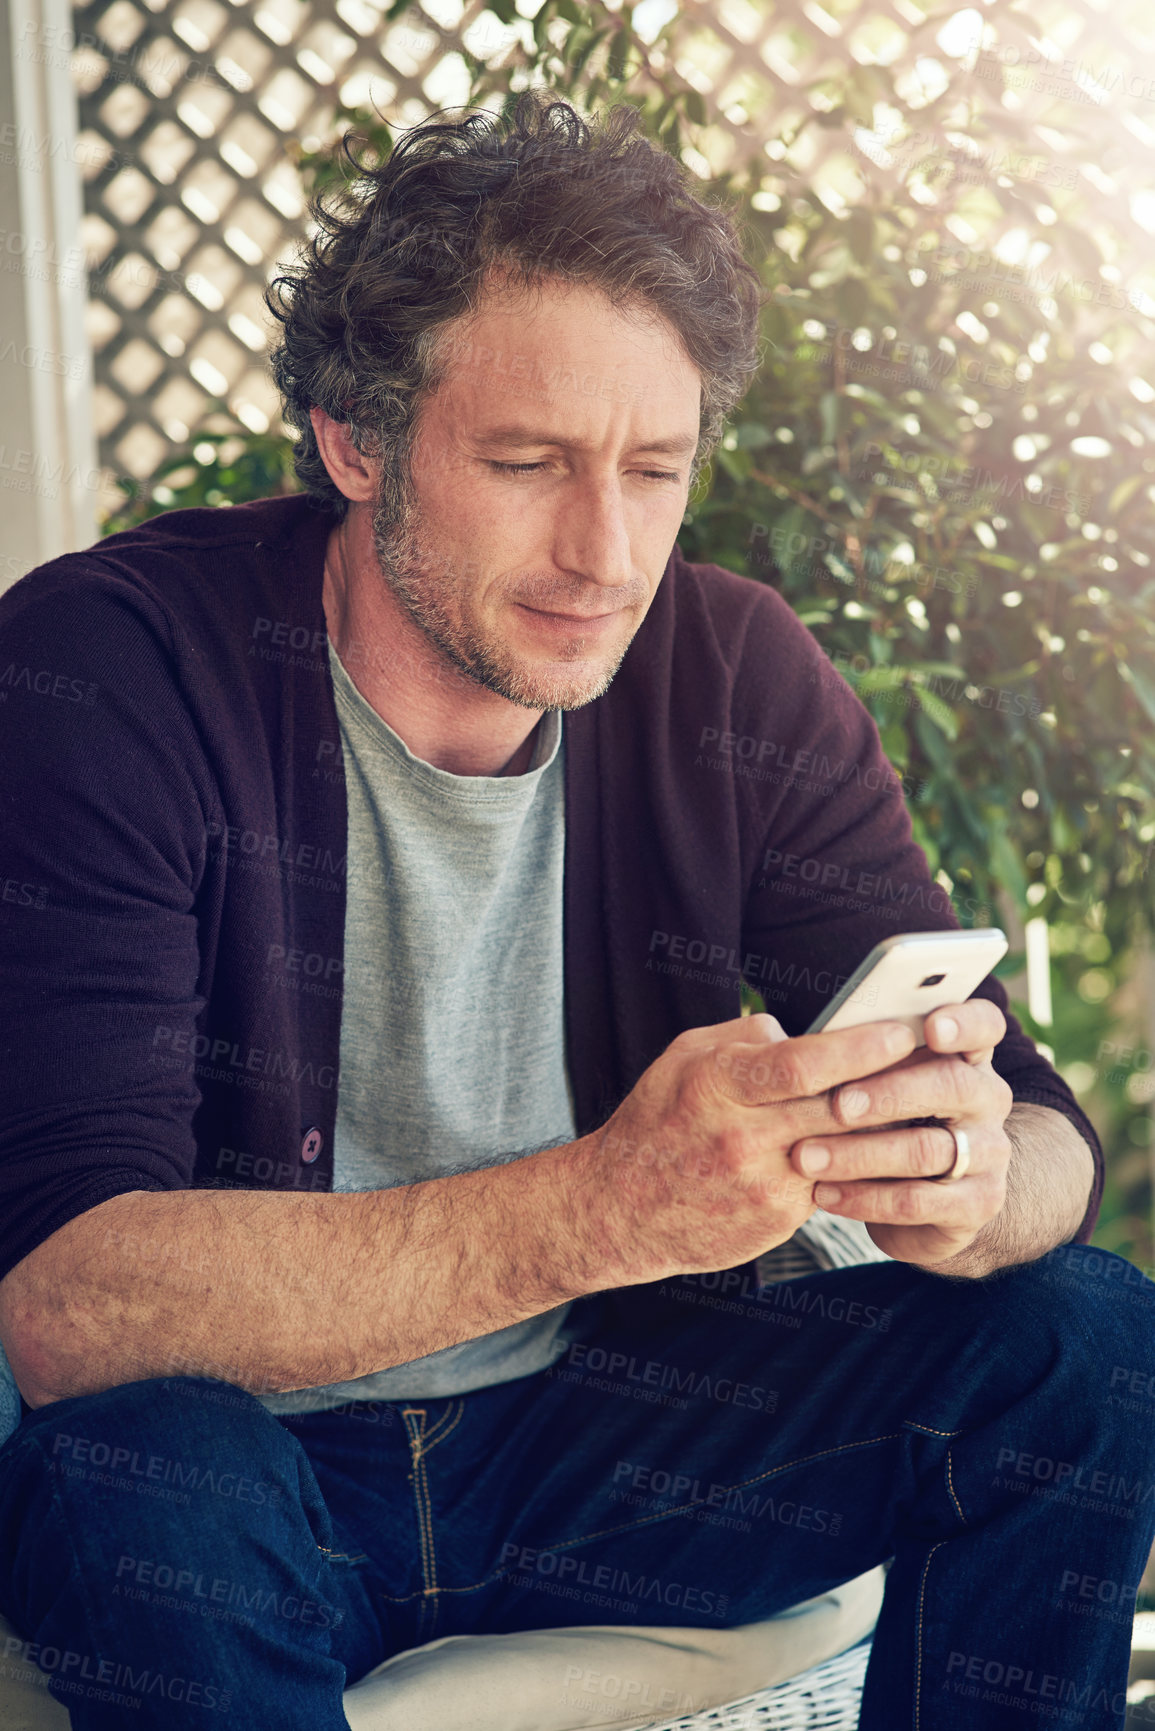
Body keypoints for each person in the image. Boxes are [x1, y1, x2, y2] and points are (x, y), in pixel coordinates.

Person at [0, 93, 1150, 1731]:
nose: (604, 552)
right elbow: (68, 1306)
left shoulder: (734, 669)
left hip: (606, 1451)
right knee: (140, 1466)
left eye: (656, 469)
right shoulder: (112, 674)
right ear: (355, 439)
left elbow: (1046, 1136)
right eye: (528, 464)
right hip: (254, 1479)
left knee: (1082, 1341)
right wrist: (613, 1203)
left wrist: (969, 1181)